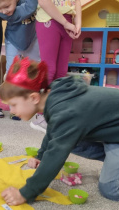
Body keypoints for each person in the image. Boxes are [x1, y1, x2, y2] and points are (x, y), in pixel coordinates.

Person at [0, 56, 119, 205]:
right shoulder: (53, 96)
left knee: (112, 188)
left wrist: (26, 193)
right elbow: (54, 132)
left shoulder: (66, 111)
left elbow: (56, 155)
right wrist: (41, 155)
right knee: (68, 139)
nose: (12, 111)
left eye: (14, 104)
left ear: (34, 97)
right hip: (114, 130)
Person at [30, 0, 82, 132]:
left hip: (68, 20)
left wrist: (78, 23)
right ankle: (40, 116)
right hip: (50, 18)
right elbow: (43, 2)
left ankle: (53, 113)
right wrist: (65, 23)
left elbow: (77, 2)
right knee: (49, 70)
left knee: (61, 72)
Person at [0, 0, 40, 120]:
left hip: (33, 39)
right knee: (11, 73)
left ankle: (34, 106)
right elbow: (30, 8)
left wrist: (25, 8)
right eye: (0, 9)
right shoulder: (5, 12)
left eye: (7, 6)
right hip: (13, 40)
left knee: (35, 72)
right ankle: (15, 107)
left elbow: (32, 5)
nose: (4, 11)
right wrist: (23, 9)